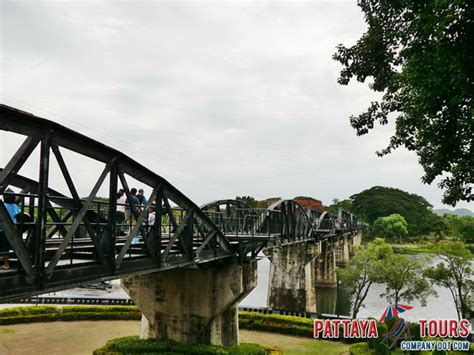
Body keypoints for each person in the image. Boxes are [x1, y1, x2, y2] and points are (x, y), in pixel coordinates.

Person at [0, 189, 21, 270]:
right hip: (12, 230)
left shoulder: (3, 206)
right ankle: (6, 262)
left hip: (2, 229)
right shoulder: (15, 206)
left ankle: (6, 264)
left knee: (4, 247)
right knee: (7, 246)